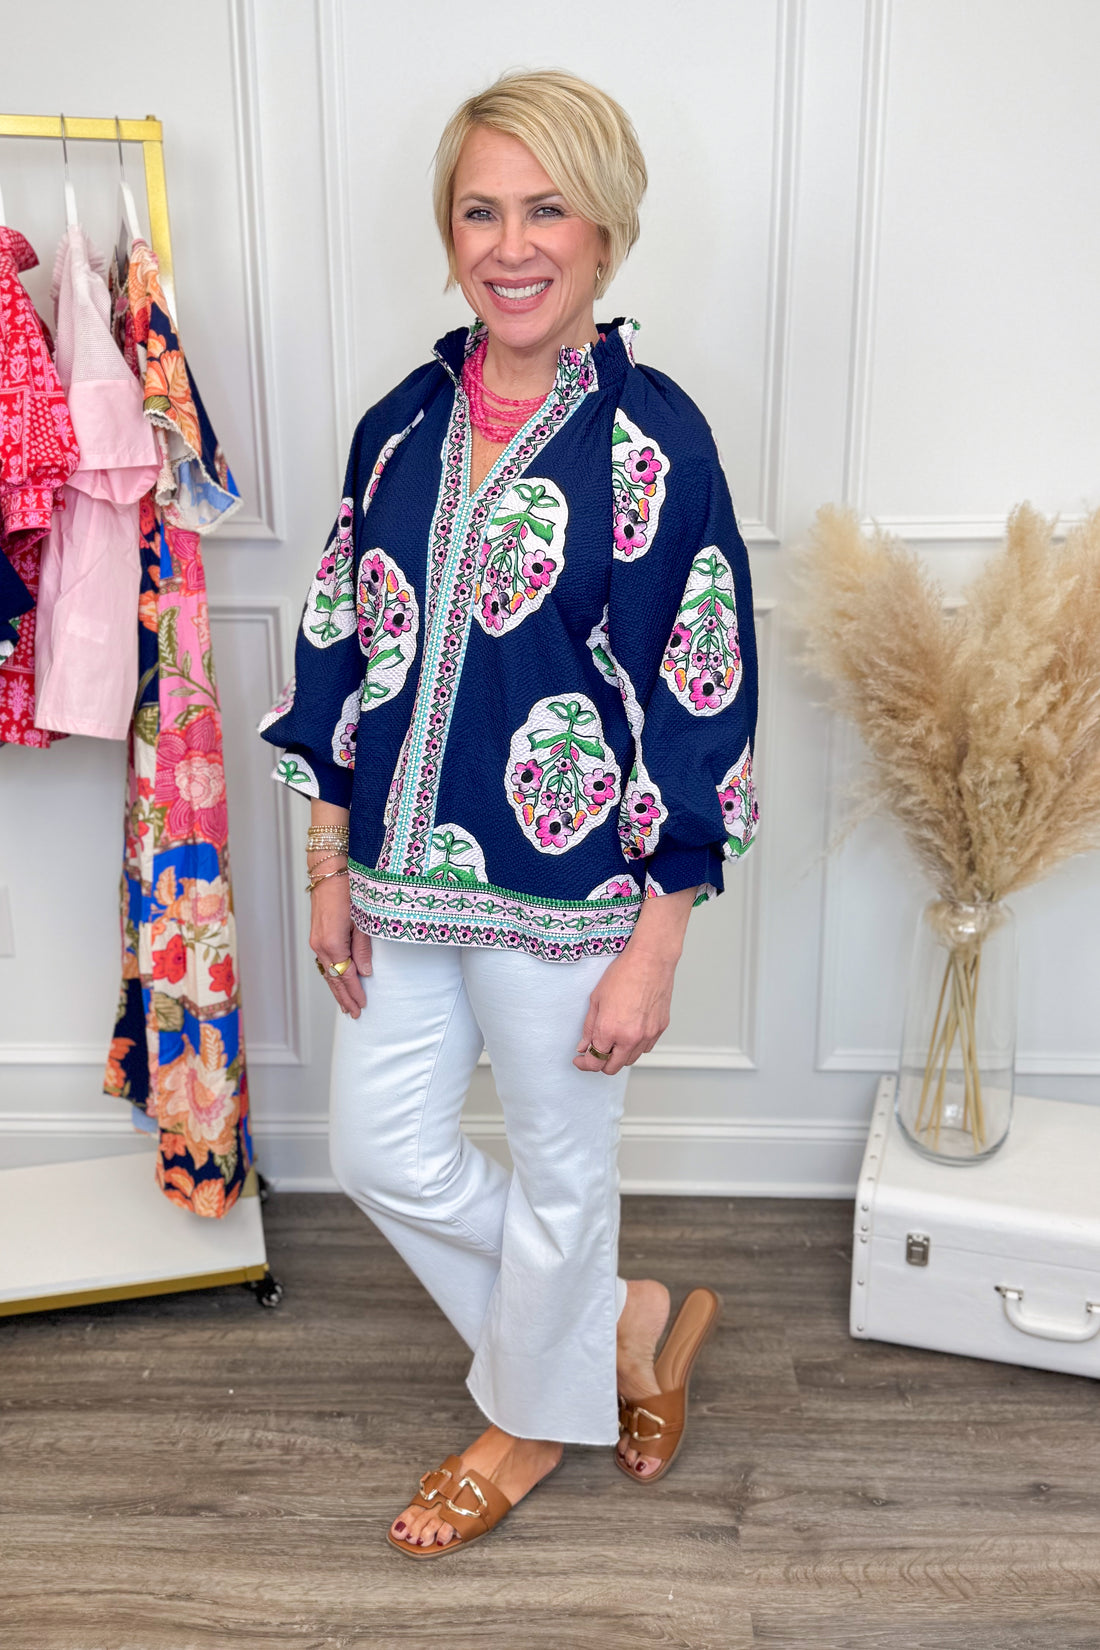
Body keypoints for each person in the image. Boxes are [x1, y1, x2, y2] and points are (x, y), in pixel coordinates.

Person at [259, 68, 759, 1557]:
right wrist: (328, 855)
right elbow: (340, 641)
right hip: (405, 880)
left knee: (562, 1168)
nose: (511, 241)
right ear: (450, 231)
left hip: (576, 896)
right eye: (481, 209)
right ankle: (617, 1326)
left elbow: (701, 680)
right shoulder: (398, 429)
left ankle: (530, 1421)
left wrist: (657, 943)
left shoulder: (652, 442)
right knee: (379, 1149)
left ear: (604, 232)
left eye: (545, 208)